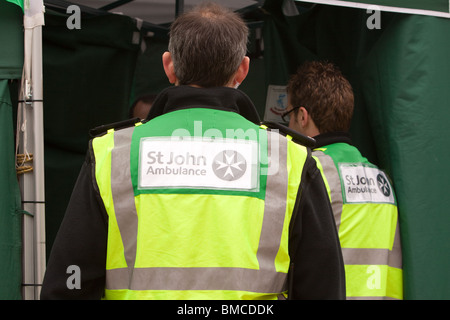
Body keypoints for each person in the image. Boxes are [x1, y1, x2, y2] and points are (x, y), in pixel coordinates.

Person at [41, 3, 345, 300]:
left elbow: (69, 284)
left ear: (169, 66)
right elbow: (322, 285)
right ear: (243, 70)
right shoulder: (290, 158)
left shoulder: (112, 152)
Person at [284, 60, 403, 300]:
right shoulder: (382, 181)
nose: (288, 125)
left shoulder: (306, 173)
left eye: (289, 116)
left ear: (302, 115)